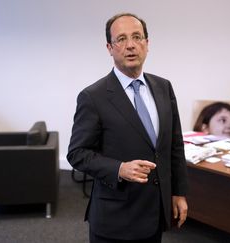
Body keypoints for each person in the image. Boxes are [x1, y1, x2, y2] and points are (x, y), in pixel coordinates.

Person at [67, 13, 188, 243]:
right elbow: (77, 153)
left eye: (136, 37)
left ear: (147, 44)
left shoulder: (163, 87)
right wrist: (119, 169)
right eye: (121, 39)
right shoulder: (93, 97)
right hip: (116, 220)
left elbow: (175, 146)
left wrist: (178, 192)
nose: (130, 45)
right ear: (109, 48)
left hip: (155, 212)